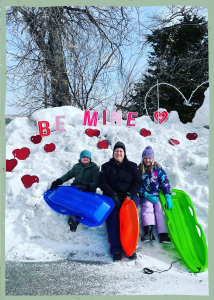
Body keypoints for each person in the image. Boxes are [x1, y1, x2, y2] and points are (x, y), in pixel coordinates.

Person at [98, 141, 141, 262]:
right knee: (113, 220)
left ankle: (130, 249)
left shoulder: (132, 166)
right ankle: (116, 249)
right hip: (112, 196)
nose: (118, 153)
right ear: (113, 153)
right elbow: (101, 182)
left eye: (121, 151)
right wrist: (113, 195)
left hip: (129, 196)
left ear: (124, 153)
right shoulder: (106, 166)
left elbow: (138, 182)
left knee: (129, 222)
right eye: (116, 151)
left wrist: (129, 194)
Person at [50, 150, 99, 232]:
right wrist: (58, 181)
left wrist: (87, 186)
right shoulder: (77, 166)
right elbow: (68, 175)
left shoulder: (94, 168)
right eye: (83, 157)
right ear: (80, 159)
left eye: (87, 157)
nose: (85, 158)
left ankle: (75, 220)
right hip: (76, 189)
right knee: (70, 200)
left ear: (90, 159)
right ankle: (72, 216)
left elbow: (96, 182)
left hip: (87, 191)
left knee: (80, 204)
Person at [138, 146, 173, 244]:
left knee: (160, 210)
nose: (147, 160)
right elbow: (136, 184)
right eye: (145, 158)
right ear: (142, 159)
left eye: (149, 158)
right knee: (146, 209)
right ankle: (148, 232)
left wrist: (167, 196)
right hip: (146, 195)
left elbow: (165, 182)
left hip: (157, 195)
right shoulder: (139, 169)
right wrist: (144, 194)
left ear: (152, 159)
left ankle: (163, 234)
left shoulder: (158, 169)